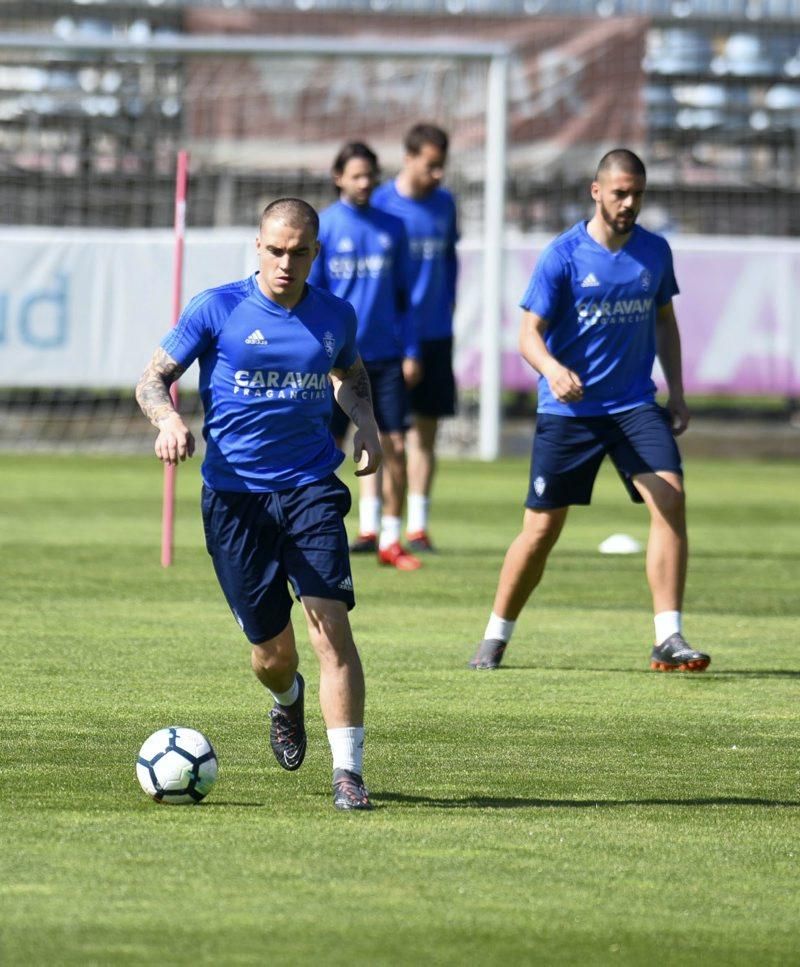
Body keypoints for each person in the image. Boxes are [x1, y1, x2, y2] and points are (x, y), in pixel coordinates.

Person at [135, 198, 382, 810]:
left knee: (331, 627)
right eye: (276, 250)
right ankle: (286, 698)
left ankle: (347, 774)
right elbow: (150, 379)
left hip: (310, 489)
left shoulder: (334, 315)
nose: (286, 262)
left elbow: (350, 372)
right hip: (234, 499)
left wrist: (366, 424)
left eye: (299, 252)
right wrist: (167, 419)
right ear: (258, 246)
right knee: (272, 656)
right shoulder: (216, 307)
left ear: (315, 253)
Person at [468, 149, 711, 674]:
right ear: (596, 191)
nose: (629, 203)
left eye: (638, 194)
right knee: (540, 531)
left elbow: (664, 321)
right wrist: (553, 370)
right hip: (569, 413)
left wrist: (679, 390)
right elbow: (528, 335)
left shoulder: (654, 252)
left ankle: (668, 636)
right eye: (620, 192)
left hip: (633, 406)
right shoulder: (563, 256)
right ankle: (495, 634)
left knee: (671, 498)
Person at [309, 141, 422, 571]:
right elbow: (312, 297)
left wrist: (411, 350)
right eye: (355, 175)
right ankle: (339, 529)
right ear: (339, 177)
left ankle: (390, 538)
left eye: (369, 175)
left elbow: (404, 297)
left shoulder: (393, 228)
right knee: (327, 444)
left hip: (384, 356)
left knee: (392, 443)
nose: (363, 183)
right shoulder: (325, 227)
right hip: (335, 359)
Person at [372, 122, 459, 553]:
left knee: (425, 433)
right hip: (389, 339)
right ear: (409, 159)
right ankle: (371, 527)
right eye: (431, 165)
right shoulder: (381, 205)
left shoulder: (446, 205)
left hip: (436, 334)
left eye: (443, 165)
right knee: (382, 434)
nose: (439, 174)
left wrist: (449, 307)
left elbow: (450, 260)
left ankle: (418, 526)